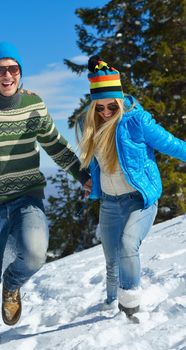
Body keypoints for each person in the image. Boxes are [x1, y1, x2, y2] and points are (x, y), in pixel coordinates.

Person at [0, 42, 91, 349]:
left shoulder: (34, 105)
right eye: (0, 69)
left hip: (27, 197)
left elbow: (55, 144)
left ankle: (12, 284)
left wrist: (81, 174)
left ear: (20, 73)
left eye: (13, 68)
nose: (7, 75)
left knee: (36, 254)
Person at [77, 55, 186, 319]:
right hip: (110, 203)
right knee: (111, 261)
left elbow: (172, 144)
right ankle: (110, 305)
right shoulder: (87, 124)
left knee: (128, 245)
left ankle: (130, 307)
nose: (105, 113)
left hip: (140, 200)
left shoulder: (136, 121)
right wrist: (90, 182)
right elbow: (93, 162)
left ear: (119, 101)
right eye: (99, 108)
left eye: (111, 107)